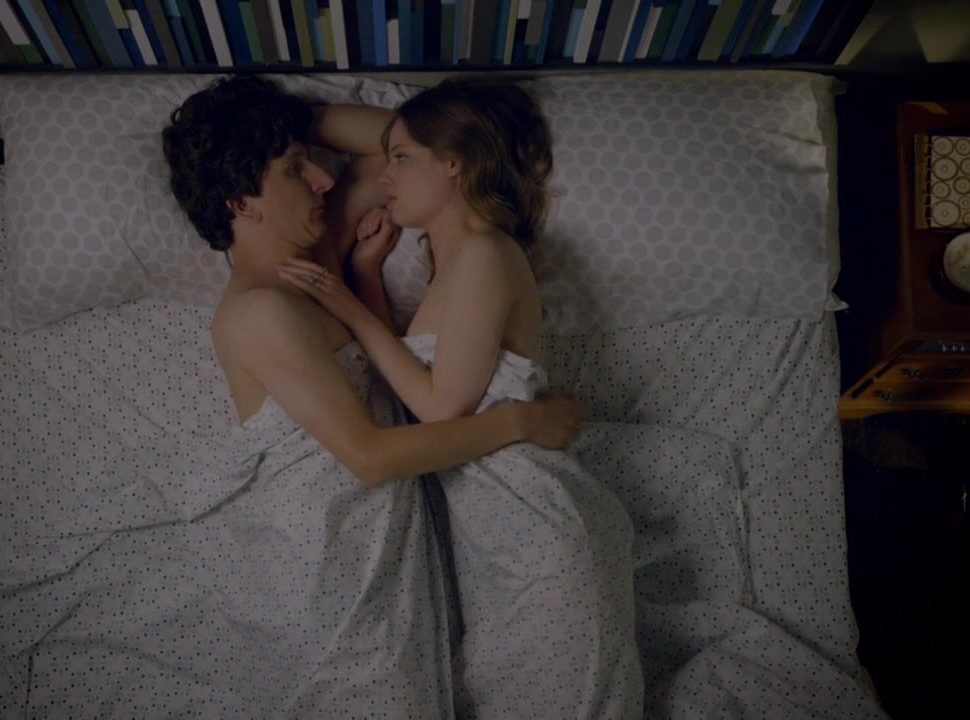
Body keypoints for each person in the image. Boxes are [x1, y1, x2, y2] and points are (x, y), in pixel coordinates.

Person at [159, 75, 583, 717]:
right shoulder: (257, 312)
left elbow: (405, 146)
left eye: (311, 162)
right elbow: (371, 457)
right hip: (324, 555)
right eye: (296, 169)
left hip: (399, 540)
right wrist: (522, 421)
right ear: (242, 200)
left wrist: (288, 119)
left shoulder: (324, 252)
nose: (322, 180)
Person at [279, 79, 644, 719]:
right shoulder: (459, 261)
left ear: (454, 164)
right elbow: (413, 387)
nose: (384, 175)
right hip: (489, 536)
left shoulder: (484, 253)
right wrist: (365, 277)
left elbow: (440, 410)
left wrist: (349, 308)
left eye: (402, 158)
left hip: (533, 528)